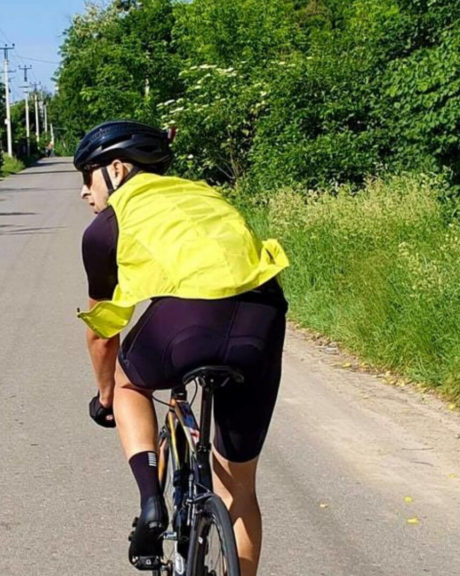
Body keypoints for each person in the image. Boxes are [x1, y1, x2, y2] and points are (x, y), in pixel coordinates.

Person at [75, 120, 289, 576]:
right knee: (240, 489)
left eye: (86, 175)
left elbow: (101, 330)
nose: (83, 192)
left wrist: (106, 395)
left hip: (190, 319)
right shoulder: (205, 194)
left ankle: (151, 505)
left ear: (116, 169)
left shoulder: (105, 227)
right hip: (263, 313)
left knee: (130, 383)